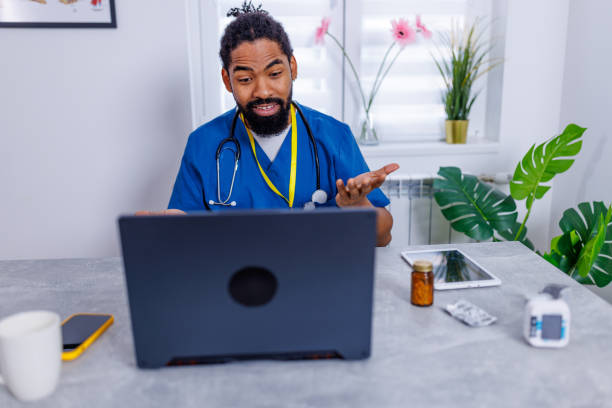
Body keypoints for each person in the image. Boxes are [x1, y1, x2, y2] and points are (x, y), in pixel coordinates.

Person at [144, 2, 399, 246]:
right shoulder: (203, 144)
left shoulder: (334, 136)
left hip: (317, 278)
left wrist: (358, 207)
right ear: (227, 80)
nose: (263, 91)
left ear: (293, 68)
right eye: (245, 79)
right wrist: (171, 230)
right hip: (236, 283)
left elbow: (383, 237)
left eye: (275, 74)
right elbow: (183, 232)